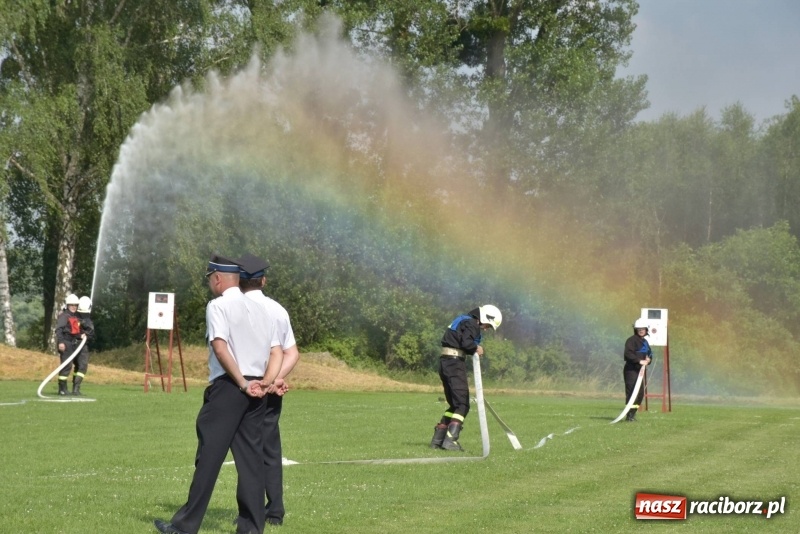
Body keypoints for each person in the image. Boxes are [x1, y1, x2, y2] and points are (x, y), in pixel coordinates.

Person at [154, 254, 283, 534]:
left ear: (217, 278)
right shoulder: (263, 309)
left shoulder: (218, 306)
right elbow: (276, 352)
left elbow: (221, 348)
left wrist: (240, 382)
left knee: (208, 457)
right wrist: (263, 382)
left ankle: (185, 526)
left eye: (210, 279)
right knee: (251, 461)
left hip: (229, 386)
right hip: (257, 388)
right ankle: (251, 528)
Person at [237, 253, 301, 527]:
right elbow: (291, 353)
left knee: (242, 452)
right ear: (263, 280)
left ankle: (248, 513)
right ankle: (274, 510)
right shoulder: (277, 310)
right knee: (270, 450)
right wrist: (274, 379)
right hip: (270, 389)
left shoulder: (226, 307)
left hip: (239, 388)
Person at [430, 305, 502, 451]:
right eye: (488, 325)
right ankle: (450, 440)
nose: (486, 329)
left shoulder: (463, 320)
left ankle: (438, 440)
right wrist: (477, 348)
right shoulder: (471, 324)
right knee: (463, 405)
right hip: (454, 364)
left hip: (445, 362)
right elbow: (466, 343)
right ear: (484, 318)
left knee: (454, 405)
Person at [54, 293, 93, 396]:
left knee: (74, 365)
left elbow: (74, 332)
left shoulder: (74, 317)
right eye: (72, 305)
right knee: (66, 366)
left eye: (75, 305)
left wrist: (81, 335)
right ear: (67, 305)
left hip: (73, 342)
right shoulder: (64, 316)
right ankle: (62, 389)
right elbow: (59, 330)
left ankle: (73, 389)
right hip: (66, 343)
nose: (74, 307)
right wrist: (61, 342)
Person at [622, 318, 652, 422]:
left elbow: (650, 353)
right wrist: (639, 361)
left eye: (643, 329)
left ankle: (632, 414)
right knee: (632, 393)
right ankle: (628, 416)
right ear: (635, 329)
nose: (641, 330)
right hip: (631, 370)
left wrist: (649, 359)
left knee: (639, 394)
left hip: (640, 371)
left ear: (646, 330)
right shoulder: (631, 340)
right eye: (639, 329)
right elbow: (628, 354)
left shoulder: (645, 342)